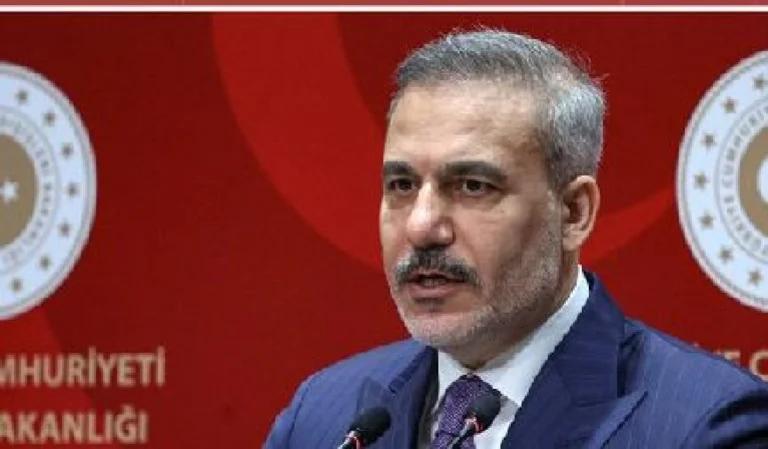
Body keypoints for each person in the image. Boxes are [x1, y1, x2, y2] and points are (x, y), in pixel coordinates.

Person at [264, 28, 768, 449]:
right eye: (401, 185)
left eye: (472, 186)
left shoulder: (706, 426)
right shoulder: (322, 417)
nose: (421, 226)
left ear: (573, 212)